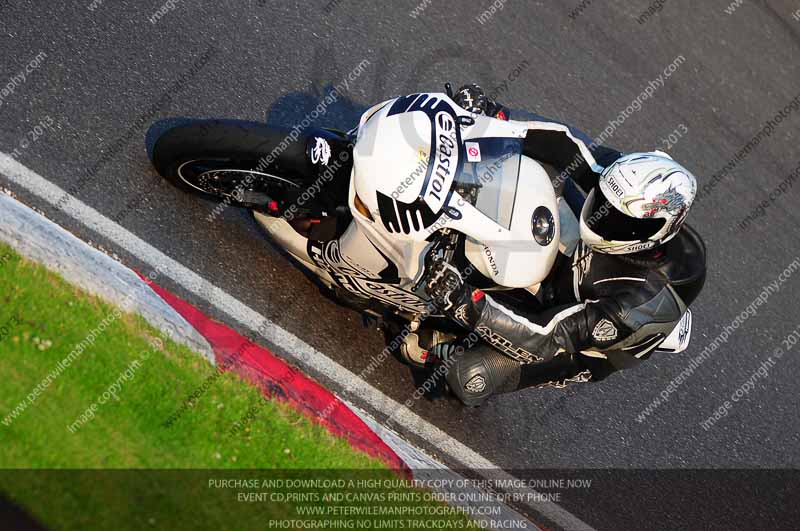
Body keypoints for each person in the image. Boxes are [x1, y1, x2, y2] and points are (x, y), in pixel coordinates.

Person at [422, 84, 707, 406]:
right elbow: (565, 144)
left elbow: (547, 336)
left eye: (619, 221)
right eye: (605, 204)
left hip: (580, 339)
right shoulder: (627, 183)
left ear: (656, 231)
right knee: (527, 171)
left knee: (468, 375)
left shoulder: (640, 303)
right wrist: (495, 116)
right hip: (578, 260)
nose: (603, 219)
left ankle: (435, 338)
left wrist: (465, 301)